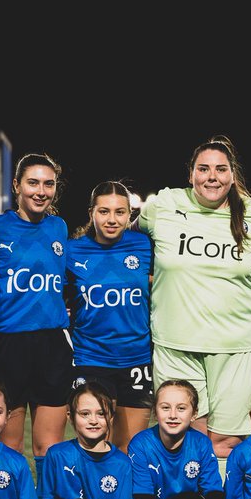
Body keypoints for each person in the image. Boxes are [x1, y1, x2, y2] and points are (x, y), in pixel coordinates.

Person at [137, 136, 251, 481]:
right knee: (184, 439)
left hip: (234, 346)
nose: (212, 176)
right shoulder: (165, 204)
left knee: (227, 442)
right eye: (204, 169)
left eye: (220, 169)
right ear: (191, 173)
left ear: (231, 175)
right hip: (175, 343)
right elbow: (121, 236)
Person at [0, 153, 72, 486]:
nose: (41, 191)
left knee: (50, 447)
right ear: (16, 185)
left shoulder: (58, 227)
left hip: (53, 345)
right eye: (33, 183)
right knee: (8, 446)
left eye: (48, 184)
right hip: (8, 344)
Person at [65, 181, 155, 452]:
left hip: (136, 360)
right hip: (91, 359)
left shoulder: (145, 246)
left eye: (120, 212)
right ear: (92, 212)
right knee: (95, 446)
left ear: (130, 214)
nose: (112, 219)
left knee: (128, 447)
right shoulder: (73, 250)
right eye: (104, 211)